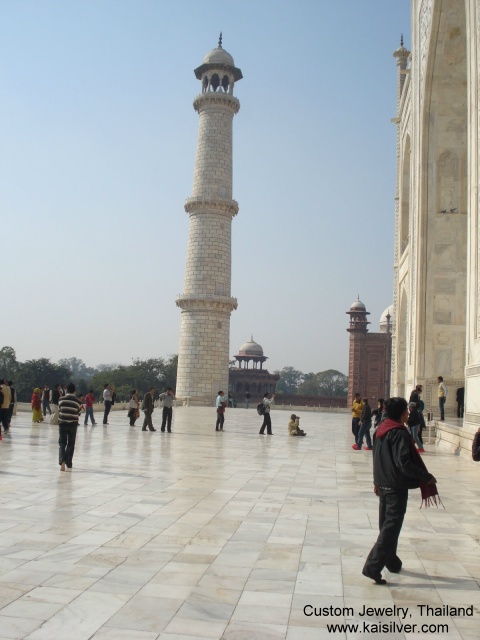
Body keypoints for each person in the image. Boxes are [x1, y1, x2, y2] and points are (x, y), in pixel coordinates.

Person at [362, 397, 438, 585]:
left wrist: (376, 481)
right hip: (395, 487)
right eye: (406, 411)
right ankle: (372, 567)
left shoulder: (380, 429)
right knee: (390, 528)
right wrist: (425, 476)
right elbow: (403, 462)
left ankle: (392, 562)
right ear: (403, 413)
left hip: (384, 485)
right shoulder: (399, 433)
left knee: (386, 526)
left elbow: (376, 458)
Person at [58, 382, 82, 471]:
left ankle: (62, 461)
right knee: (71, 444)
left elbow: (59, 410)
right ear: (74, 391)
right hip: (73, 424)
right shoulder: (78, 402)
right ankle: (69, 462)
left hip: (62, 423)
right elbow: (78, 413)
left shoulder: (61, 399)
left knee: (62, 443)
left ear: (66, 390)